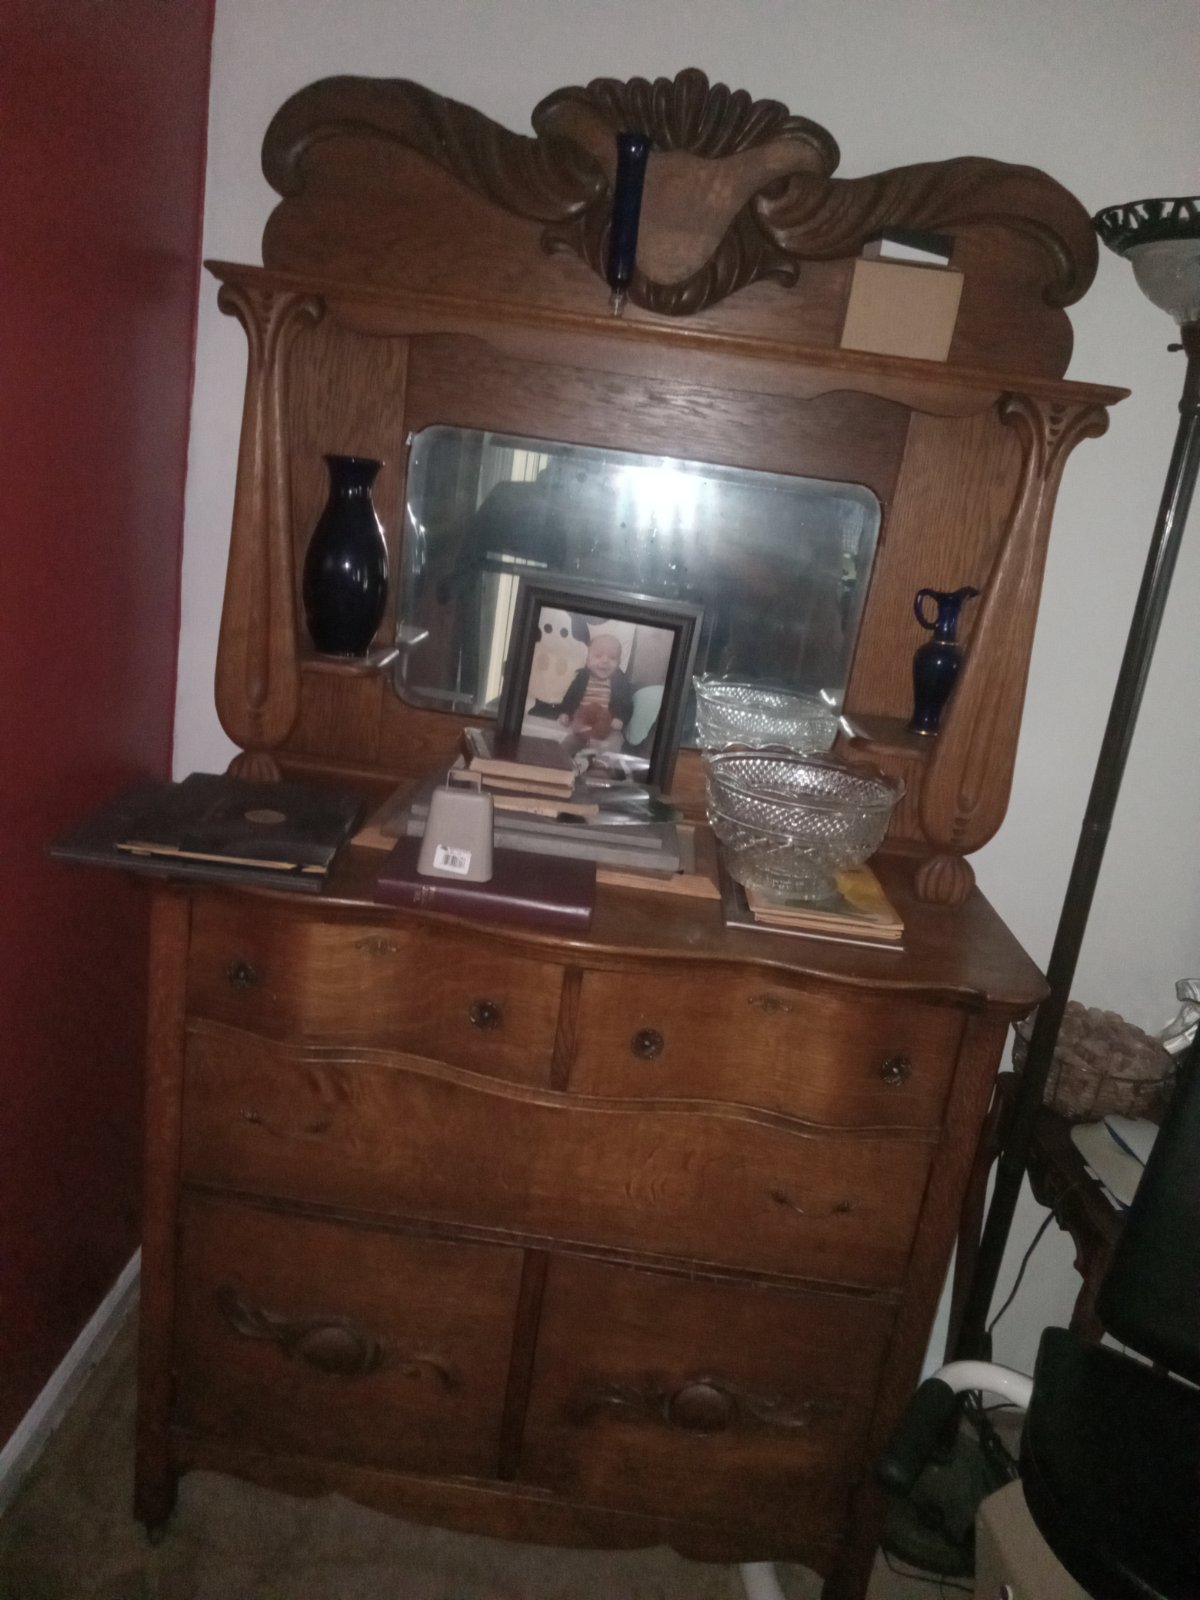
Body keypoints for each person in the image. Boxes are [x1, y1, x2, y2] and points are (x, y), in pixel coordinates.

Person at [555, 631, 634, 749]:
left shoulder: (620, 681)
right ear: (588, 661)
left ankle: (591, 749)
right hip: (582, 715)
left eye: (612, 658)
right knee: (576, 726)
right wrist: (565, 712)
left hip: (605, 718)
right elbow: (570, 696)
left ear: (618, 663)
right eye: (598, 656)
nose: (605, 661)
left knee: (608, 737)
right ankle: (576, 746)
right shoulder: (582, 677)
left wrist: (620, 718)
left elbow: (626, 703)